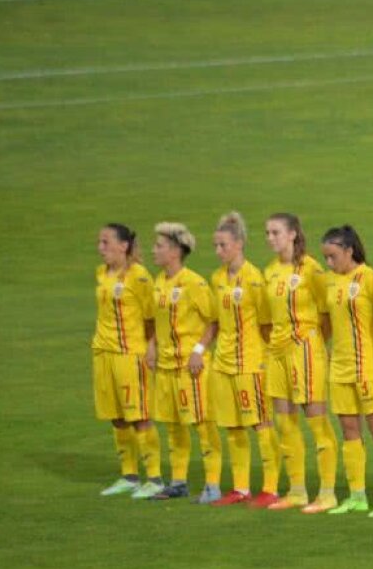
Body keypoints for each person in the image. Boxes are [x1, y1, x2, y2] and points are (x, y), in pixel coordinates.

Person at [308, 225, 373, 515]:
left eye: (333, 256)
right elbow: (326, 320)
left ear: (349, 251)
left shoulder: (370, 279)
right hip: (339, 368)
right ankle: (357, 495)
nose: (329, 263)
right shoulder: (329, 281)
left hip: (368, 367)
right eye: (325, 257)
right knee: (349, 431)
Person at [261, 213, 340, 513]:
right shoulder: (270, 271)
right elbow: (267, 319)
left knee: (316, 421)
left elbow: (327, 313)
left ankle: (328, 493)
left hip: (305, 349)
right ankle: (296, 491)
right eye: (268, 233)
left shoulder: (311, 268)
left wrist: (315, 343)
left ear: (293, 234)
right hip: (277, 351)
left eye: (276, 232)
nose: (270, 238)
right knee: (284, 421)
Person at [145, 222, 223, 503]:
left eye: (159, 246)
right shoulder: (158, 282)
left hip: (191, 369)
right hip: (166, 367)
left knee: (202, 425)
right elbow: (159, 321)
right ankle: (178, 482)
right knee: (173, 426)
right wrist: (152, 346)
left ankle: (213, 485)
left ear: (176, 251)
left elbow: (214, 320)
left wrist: (199, 350)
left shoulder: (194, 283)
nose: (154, 251)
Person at [207, 211, 281, 507]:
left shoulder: (255, 279)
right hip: (222, 363)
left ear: (239, 244)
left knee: (261, 424)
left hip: (250, 364)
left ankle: (271, 488)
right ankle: (241, 488)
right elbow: (215, 320)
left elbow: (267, 324)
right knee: (233, 426)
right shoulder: (217, 278)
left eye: (223, 245)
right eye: (215, 245)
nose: (218, 251)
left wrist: (269, 360)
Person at [92, 223, 162, 498]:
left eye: (106, 242)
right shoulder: (101, 273)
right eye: (100, 242)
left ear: (123, 246)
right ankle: (129, 476)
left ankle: (154, 478)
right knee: (117, 417)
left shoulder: (139, 276)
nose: (101, 248)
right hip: (104, 354)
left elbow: (152, 317)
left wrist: (152, 346)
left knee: (140, 416)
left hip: (130, 355)